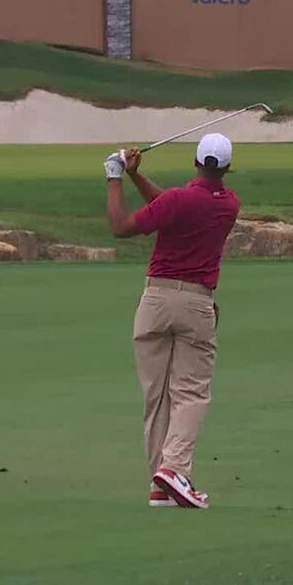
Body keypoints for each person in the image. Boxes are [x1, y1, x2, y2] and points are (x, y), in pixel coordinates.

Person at [103, 134, 243, 510]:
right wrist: (135, 177)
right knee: (191, 393)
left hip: (155, 301)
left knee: (157, 396)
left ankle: (161, 482)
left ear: (195, 161)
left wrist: (114, 176)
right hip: (196, 303)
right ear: (228, 168)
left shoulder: (181, 200)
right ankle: (174, 471)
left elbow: (121, 226)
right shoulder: (229, 204)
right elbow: (170, 206)